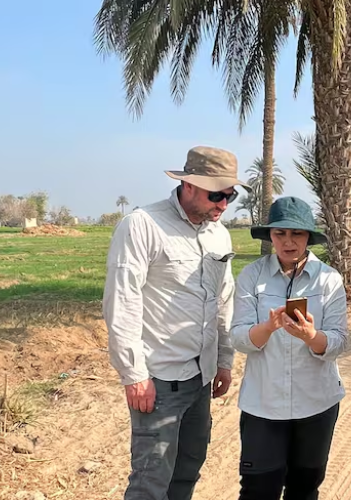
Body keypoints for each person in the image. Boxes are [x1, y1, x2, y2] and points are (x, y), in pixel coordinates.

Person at [103, 146, 248, 500]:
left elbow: (222, 300)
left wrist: (224, 361)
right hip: (158, 381)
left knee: (187, 469)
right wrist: (134, 375)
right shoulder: (142, 225)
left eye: (230, 195)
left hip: (200, 378)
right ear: (189, 186)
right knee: (151, 480)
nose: (223, 205)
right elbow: (121, 303)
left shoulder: (219, 235)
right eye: (217, 195)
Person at [230, 196, 348, 500]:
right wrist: (268, 328)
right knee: (258, 490)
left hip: (316, 403)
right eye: (280, 233)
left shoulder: (329, 280)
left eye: (296, 233)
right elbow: (240, 338)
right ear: (270, 235)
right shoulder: (251, 276)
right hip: (263, 404)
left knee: (304, 489)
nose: (288, 241)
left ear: (308, 236)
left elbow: (338, 341)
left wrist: (311, 337)